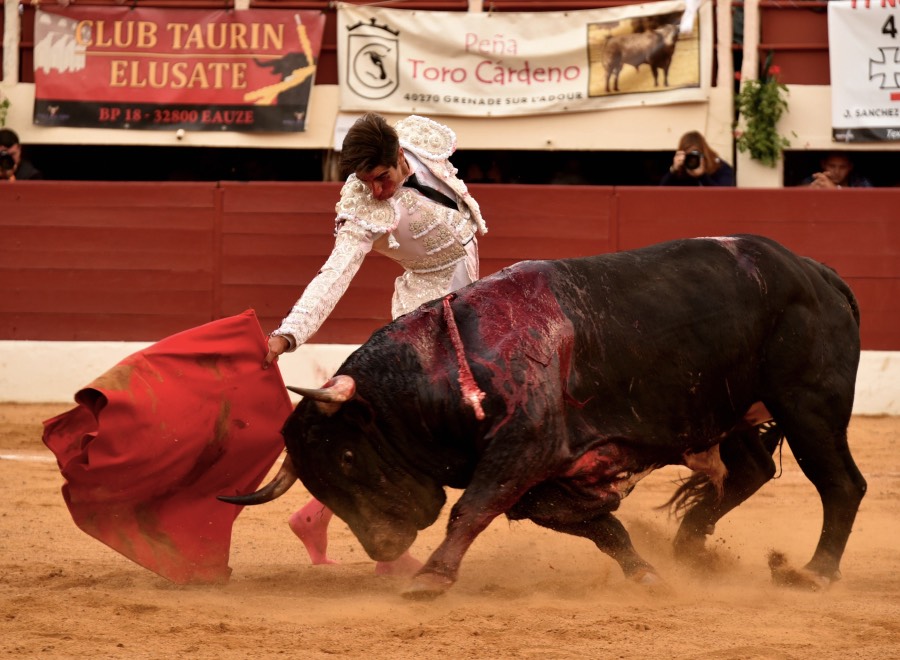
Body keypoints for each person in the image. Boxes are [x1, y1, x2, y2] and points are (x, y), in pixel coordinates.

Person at [264, 113, 488, 576]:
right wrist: (290, 332)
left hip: (465, 297)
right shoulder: (363, 207)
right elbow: (335, 272)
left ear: (400, 155)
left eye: (382, 178)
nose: (377, 191)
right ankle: (389, 552)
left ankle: (313, 516)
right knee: (412, 431)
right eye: (366, 182)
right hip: (425, 313)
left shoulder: (420, 141)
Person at [659, 131, 735, 187]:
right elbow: (661, 194)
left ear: (704, 154)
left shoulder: (719, 167)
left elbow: (723, 196)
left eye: (696, 155)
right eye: (688, 156)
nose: (692, 160)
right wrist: (673, 170)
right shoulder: (681, 171)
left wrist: (702, 176)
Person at [802, 151, 872, 189]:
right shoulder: (814, 180)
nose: (837, 172)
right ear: (823, 164)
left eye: (843, 167)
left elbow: (869, 201)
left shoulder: (860, 181)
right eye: (832, 166)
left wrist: (835, 189)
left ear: (850, 167)